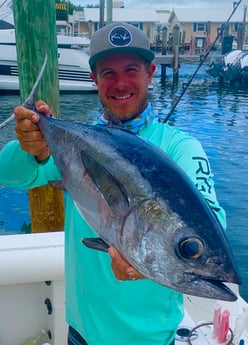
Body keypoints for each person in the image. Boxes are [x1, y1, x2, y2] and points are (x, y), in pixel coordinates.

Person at [0, 22, 226, 345]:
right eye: (108, 73)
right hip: (81, 336)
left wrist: (157, 262)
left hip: (152, 340)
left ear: (149, 73)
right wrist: (32, 149)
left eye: (131, 70)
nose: (121, 83)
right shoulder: (77, 145)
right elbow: (7, 174)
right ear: (94, 79)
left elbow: (211, 219)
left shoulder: (180, 147)